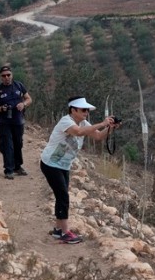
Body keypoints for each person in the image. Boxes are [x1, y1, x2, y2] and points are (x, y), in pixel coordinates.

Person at [40, 96, 119, 244]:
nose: (86, 112)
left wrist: (109, 128)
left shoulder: (83, 122)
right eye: (83, 110)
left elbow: (97, 136)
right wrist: (102, 123)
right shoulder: (66, 121)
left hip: (63, 165)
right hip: (51, 164)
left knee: (61, 195)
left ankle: (58, 230)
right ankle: (65, 233)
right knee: (63, 196)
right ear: (73, 110)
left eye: (87, 110)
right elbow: (79, 132)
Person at [0, 65, 32, 180]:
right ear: (0, 77)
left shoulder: (19, 85)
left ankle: (18, 167)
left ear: (12, 75)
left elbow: (29, 99)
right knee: (7, 145)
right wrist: (1, 109)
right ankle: (9, 170)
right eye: (4, 76)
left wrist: (24, 104)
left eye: (8, 75)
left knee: (18, 144)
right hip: (4, 122)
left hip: (18, 121)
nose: (6, 77)